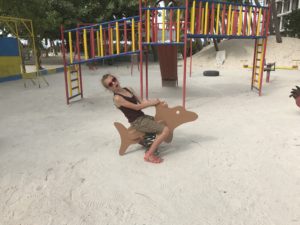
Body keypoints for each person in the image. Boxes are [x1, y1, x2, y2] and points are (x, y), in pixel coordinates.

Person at [101, 74, 170, 164]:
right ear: (109, 88)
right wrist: (153, 103)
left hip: (142, 117)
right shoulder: (117, 98)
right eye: (110, 84)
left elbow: (142, 102)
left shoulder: (128, 89)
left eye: (114, 79)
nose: (114, 83)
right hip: (137, 122)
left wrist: (158, 103)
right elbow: (137, 107)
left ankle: (146, 141)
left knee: (160, 122)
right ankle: (148, 155)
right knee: (166, 130)